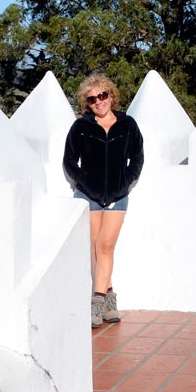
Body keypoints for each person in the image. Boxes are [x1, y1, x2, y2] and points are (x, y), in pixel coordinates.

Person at [63, 74, 144, 328]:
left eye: (102, 95)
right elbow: (69, 161)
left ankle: (96, 303)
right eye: (92, 99)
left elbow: (137, 158)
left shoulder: (128, 125)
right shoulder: (80, 127)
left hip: (118, 196)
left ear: (110, 95)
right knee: (95, 248)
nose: (99, 101)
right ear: (87, 103)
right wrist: (83, 182)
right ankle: (110, 301)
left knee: (106, 246)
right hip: (89, 195)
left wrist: (125, 182)